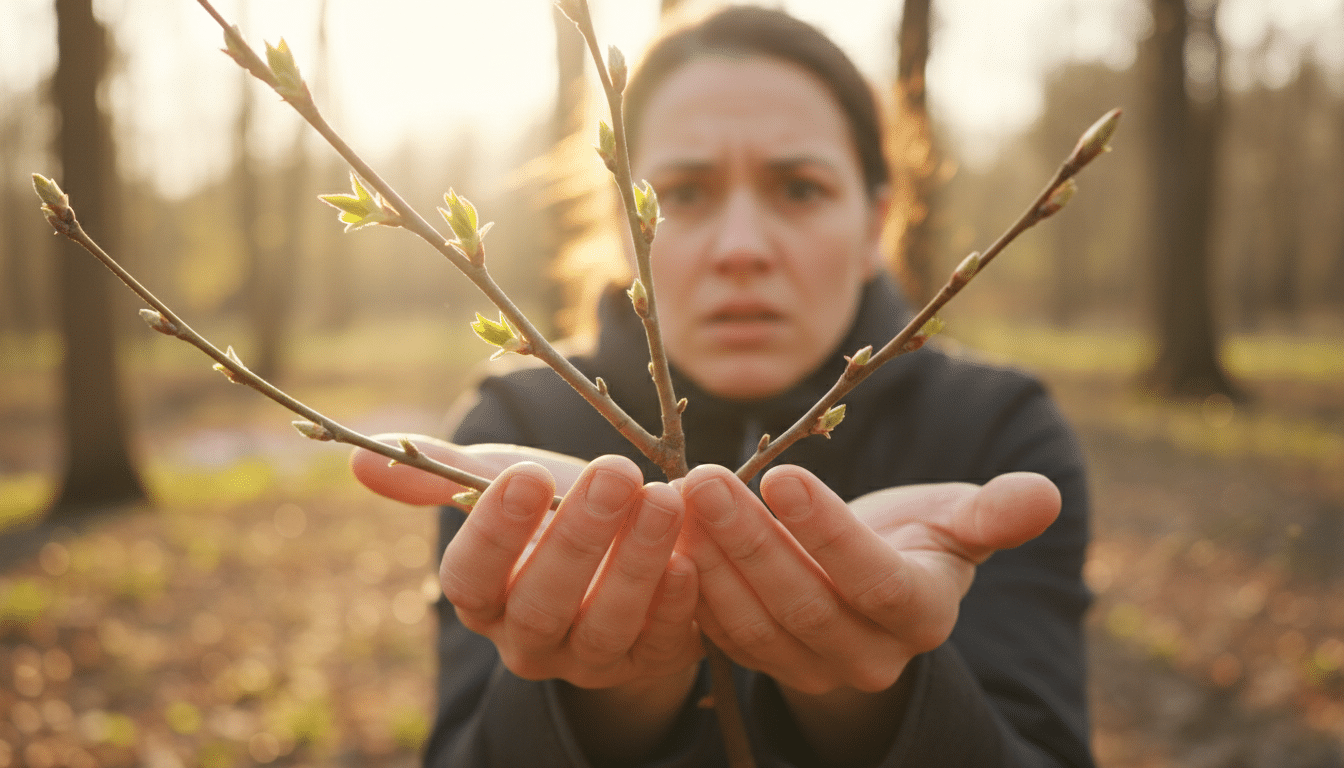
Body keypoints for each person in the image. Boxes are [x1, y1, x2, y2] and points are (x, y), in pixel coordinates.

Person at [353, 7, 1095, 767]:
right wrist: (600, 698)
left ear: (875, 225)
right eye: (682, 194)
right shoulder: (517, 432)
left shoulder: (995, 431)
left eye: (800, 189)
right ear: (623, 222)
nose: (741, 248)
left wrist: (876, 700)